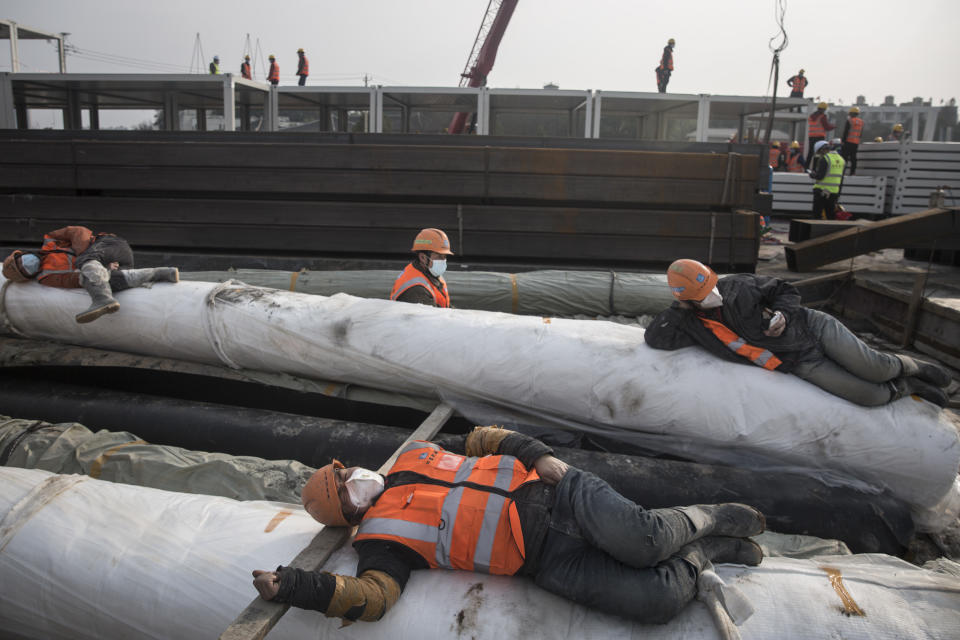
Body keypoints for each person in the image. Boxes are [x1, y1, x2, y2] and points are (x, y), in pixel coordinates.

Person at [250, 425, 766, 625]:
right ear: (348, 512)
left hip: (558, 494)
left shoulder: (414, 455)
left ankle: (708, 516)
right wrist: (295, 585)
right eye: (343, 488)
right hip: (543, 561)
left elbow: (484, 438)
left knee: (645, 541)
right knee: (657, 603)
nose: (353, 478)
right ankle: (706, 553)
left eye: (343, 472)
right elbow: (373, 598)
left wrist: (538, 455)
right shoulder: (381, 544)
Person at [644, 259, 951, 407]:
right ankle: (908, 386)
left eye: (713, 285)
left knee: (874, 368)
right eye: (704, 293)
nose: (715, 294)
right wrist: (679, 309)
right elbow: (655, 338)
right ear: (687, 300)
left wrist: (782, 314)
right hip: (798, 361)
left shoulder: (738, 286)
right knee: (870, 396)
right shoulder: (693, 323)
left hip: (811, 327)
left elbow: (784, 289)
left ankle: (912, 366)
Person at [2, 226, 179, 324]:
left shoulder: (51, 240)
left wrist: (85, 257)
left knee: (85, 264)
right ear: (28, 276)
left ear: (23, 253)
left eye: (23, 259)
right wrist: (104, 269)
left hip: (110, 244)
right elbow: (76, 280)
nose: (27, 263)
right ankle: (163, 273)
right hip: (111, 267)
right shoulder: (46, 277)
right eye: (25, 268)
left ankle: (102, 300)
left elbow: (79, 231)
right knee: (109, 281)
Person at [389, 228, 453, 308]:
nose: (443, 261)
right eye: (439, 256)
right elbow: (432, 318)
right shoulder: (416, 290)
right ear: (423, 257)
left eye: (444, 256)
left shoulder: (431, 273)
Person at [808, 140, 845, 220]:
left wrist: (812, 175)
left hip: (822, 191)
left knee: (817, 214)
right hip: (834, 192)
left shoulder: (825, 159)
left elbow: (820, 176)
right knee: (830, 215)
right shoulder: (841, 159)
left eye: (819, 152)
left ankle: (816, 231)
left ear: (822, 149)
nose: (820, 155)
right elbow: (841, 178)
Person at [806, 102, 834, 167]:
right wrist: (834, 126)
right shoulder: (822, 117)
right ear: (823, 109)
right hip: (819, 137)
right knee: (818, 153)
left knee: (810, 152)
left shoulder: (812, 116)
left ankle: (806, 167)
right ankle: (815, 168)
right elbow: (827, 127)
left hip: (811, 136)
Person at [841, 107, 864, 175]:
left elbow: (846, 132)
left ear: (851, 113)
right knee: (853, 158)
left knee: (844, 157)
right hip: (855, 143)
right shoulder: (861, 122)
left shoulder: (850, 120)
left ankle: (842, 171)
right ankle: (852, 172)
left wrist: (843, 141)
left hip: (848, 142)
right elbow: (860, 134)